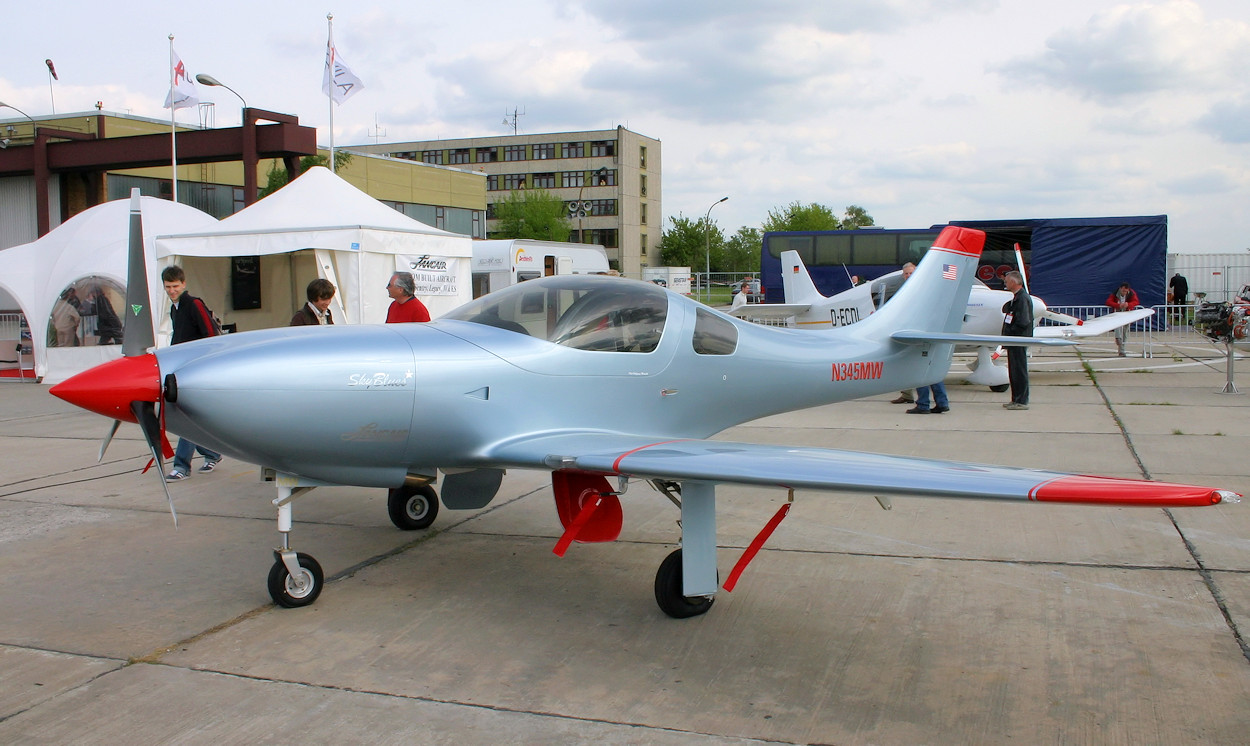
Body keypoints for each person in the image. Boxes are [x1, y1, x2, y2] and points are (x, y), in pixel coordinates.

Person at [161, 265, 223, 481]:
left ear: (184, 284)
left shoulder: (194, 304)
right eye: (168, 287)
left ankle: (181, 466)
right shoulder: (175, 308)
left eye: (175, 286)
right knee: (190, 417)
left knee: (186, 419)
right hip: (183, 368)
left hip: (196, 368)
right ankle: (212, 453)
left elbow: (210, 334)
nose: (171, 290)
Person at [1001, 270, 1032, 410]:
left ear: (1013, 282)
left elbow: (1023, 321)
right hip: (1013, 340)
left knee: (1019, 370)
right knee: (1013, 371)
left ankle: (1021, 400)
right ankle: (1015, 399)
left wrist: (1012, 333)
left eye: (1007, 281)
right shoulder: (1016, 298)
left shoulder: (1022, 298)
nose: (1005, 284)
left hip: (1018, 340)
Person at [891, 262, 919, 404]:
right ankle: (907, 394)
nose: (908, 276)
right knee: (904, 363)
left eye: (911, 273)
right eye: (906, 273)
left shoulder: (921, 289)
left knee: (919, 363)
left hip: (917, 331)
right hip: (905, 330)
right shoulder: (902, 290)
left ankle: (927, 401)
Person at [1106, 281, 1140, 357]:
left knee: (1125, 332)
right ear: (1120, 288)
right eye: (1123, 291)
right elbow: (1108, 302)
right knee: (1117, 328)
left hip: (1127, 314)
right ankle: (1118, 339)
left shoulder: (1131, 293)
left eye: (1126, 291)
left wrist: (1128, 305)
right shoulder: (1115, 293)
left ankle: (1122, 349)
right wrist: (1118, 305)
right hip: (1117, 314)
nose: (1124, 293)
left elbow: (1136, 301)